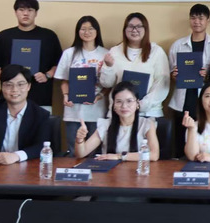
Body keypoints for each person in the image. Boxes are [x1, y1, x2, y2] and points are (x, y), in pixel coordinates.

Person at [0, 0, 62, 112]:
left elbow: (59, 64)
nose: (25, 14)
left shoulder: (49, 36)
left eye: (30, 10)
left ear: (36, 13)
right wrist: (9, 79)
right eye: (21, 10)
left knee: (41, 124)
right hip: (10, 98)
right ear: (15, 12)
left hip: (41, 97)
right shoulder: (4, 36)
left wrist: (47, 75)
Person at [168, 4, 210, 157]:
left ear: (208, 21)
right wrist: (174, 75)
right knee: (180, 146)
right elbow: (171, 75)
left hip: (205, 101)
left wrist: (209, 74)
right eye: (193, 18)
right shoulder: (178, 45)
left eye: (201, 18)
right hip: (182, 101)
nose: (196, 22)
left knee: (203, 141)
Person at [55, 16, 109, 155]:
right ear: (78, 31)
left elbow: (109, 83)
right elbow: (64, 80)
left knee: (94, 153)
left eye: (91, 29)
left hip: (97, 111)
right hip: (73, 111)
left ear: (97, 31)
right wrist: (65, 96)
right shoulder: (69, 53)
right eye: (83, 29)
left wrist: (99, 96)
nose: (87, 32)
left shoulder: (105, 54)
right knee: (74, 152)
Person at [100, 12, 170, 118]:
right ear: (125, 29)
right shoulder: (115, 51)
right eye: (130, 26)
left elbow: (161, 84)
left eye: (139, 26)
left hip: (148, 113)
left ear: (145, 29)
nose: (134, 30)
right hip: (119, 113)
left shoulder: (156, 51)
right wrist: (108, 67)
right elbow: (107, 84)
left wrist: (140, 105)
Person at [74, 81, 159, 161]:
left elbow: (154, 155)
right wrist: (79, 139)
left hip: (137, 170)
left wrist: (119, 156)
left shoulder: (146, 124)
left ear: (137, 104)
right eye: (119, 101)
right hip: (110, 170)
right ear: (114, 106)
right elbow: (81, 154)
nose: (124, 106)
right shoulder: (105, 125)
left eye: (129, 101)